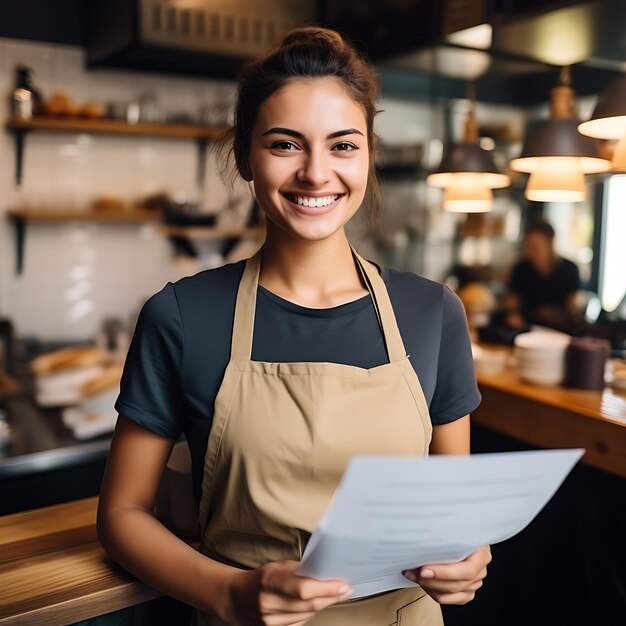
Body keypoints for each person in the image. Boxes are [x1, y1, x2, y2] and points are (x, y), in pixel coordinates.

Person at [97, 27, 491, 626]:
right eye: (285, 144)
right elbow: (122, 514)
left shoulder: (434, 314)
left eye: (342, 146)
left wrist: (465, 557)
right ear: (245, 157)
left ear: (367, 156)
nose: (315, 173)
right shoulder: (181, 316)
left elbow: (450, 513)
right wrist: (228, 593)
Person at [505, 220, 580, 330]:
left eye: (536, 246)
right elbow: (512, 301)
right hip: (526, 328)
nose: (531, 251)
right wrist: (513, 314)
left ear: (550, 244)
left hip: (560, 329)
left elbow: (573, 307)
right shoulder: (521, 269)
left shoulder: (570, 269)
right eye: (528, 246)